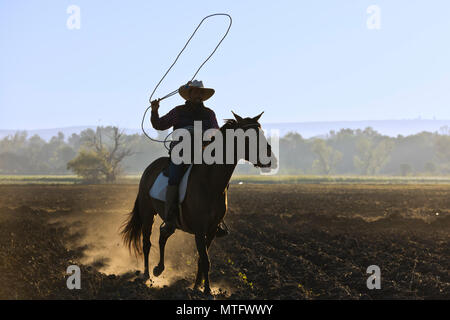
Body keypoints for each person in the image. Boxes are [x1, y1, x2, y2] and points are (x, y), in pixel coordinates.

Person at [150, 80, 228, 236]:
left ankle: (217, 220)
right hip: (181, 152)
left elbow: (216, 133)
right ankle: (170, 218)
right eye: (195, 92)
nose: (199, 96)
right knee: (175, 177)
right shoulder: (178, 111)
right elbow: (159, 124)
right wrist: (154, 111)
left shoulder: (209, 114)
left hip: (203, 153)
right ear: (189, 94)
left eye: (201, 93)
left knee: (220, 177)